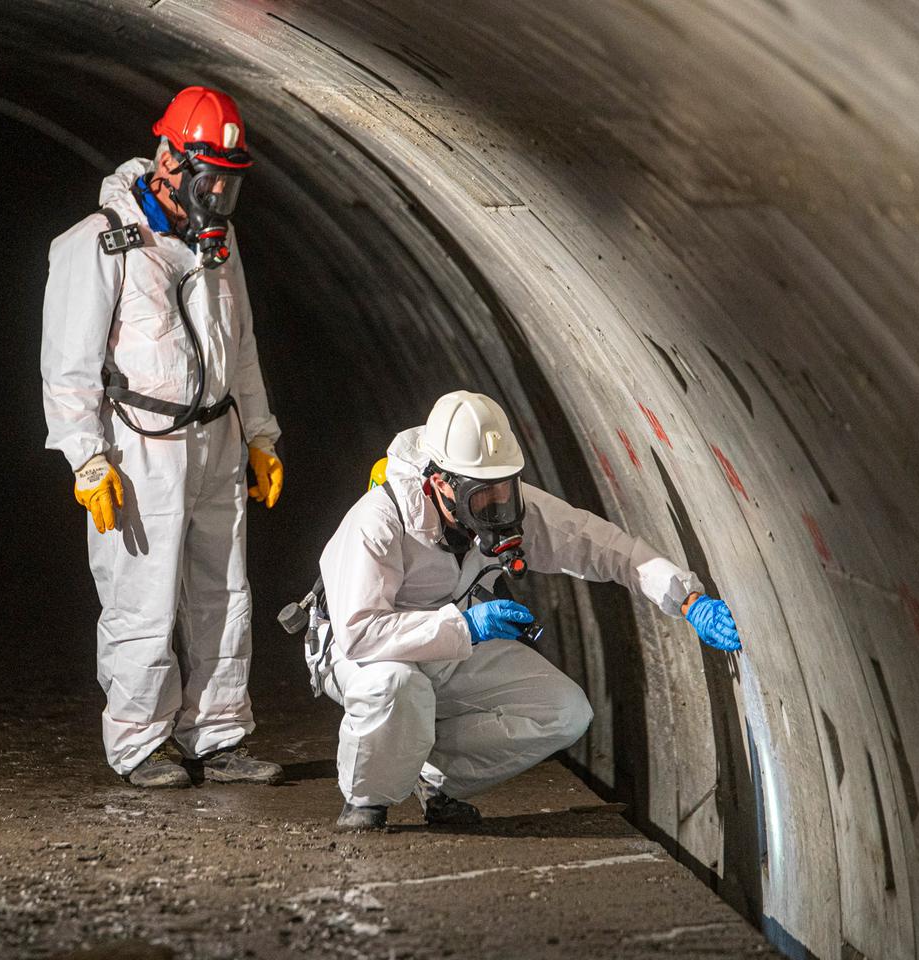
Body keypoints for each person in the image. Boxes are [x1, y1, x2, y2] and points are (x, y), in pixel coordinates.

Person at [314, 391, 741, 830]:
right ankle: (368, 801)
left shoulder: (509, 504)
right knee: (398, 685)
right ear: (442, 483)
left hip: (453, 639)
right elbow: (360, 632)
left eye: (505, 486)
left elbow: (604, 546)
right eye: (484, 494)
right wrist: (467, 624)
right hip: (364, 652)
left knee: (564, 712)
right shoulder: (381, 520)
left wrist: (687, 598)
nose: (499, 504)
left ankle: (434, 778)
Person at [41, 86, 284, 789]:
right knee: (141, 593)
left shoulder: (220, 240)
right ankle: (140, 742)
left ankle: (218, 734)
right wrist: (87, 459)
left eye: (231, 183)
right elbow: (69, 365)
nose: (219, 197)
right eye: (210, 179)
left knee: (224, 592)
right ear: (169, 159)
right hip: (140, 442)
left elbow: (240, 346)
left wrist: (261, 434)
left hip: (218, 436)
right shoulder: (101, 241)